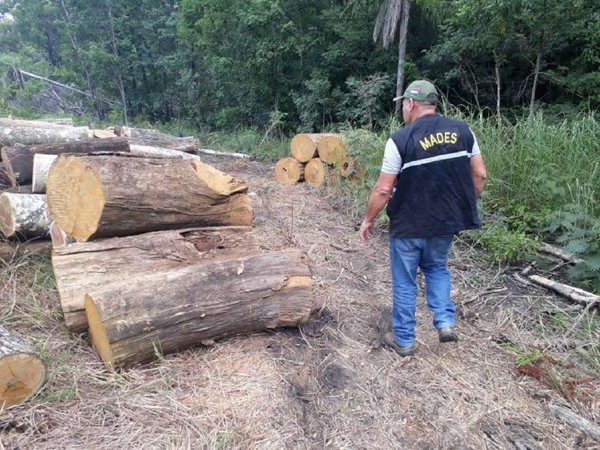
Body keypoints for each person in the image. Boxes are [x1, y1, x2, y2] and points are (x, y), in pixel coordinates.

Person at [359, 80, 487, 357]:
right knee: (437, 268)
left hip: (408, 225)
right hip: (444, 223)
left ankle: (404, 341)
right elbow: (480, 175)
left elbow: (383, 189)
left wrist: (368, 218)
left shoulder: (400, 139)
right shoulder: (463, 131)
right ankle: (444, 322)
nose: (403, 109)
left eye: (403, 104)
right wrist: (465, 203)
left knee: (405, 280)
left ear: (411, 104)